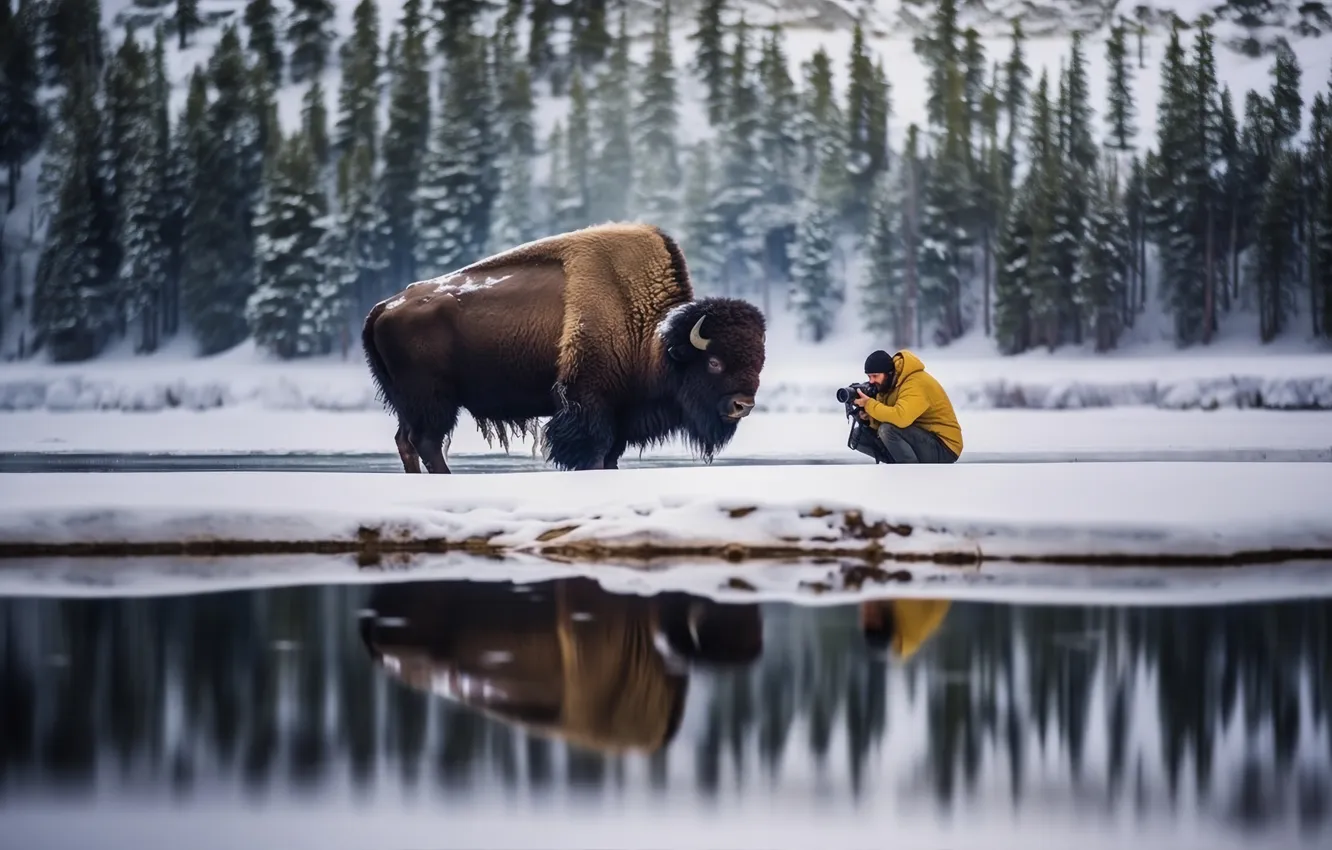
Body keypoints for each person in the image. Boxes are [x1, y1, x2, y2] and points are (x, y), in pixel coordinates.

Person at [848, 349, 963, 464]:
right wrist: (869, 418)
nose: (871, 381)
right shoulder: (890, 385)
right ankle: (896, 466)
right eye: (869, 377)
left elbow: (901, 418)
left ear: (889, 373)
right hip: (920, 436)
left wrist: (869, 404)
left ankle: (907, 473)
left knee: (887, 430)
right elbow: (891, 419)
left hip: (945, 447)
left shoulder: (915, 382)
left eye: (875, 376)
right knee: (858, 436)